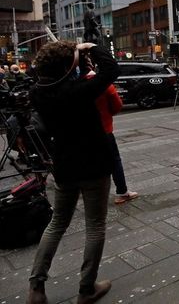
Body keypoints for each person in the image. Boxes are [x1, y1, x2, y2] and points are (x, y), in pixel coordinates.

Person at [27, 42, 119, 304]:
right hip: (94, 163)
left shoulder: (38, 92)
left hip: (64, 165)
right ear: (68, 68)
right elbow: (111, 70)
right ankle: (87, 288)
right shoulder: (78, 90)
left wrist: (71, 57)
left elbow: (42, 74)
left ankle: (36, 287)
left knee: (56, 224)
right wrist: (93, 47)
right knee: (95, 226)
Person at [82, 61, 139, 206]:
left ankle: (91, 195)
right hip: (104, 130)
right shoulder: (104, 84)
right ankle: (122, 192)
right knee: (114, 161)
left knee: (89, 163)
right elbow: (117, 106)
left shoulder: (73, 86)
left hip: (82, 134)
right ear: (92, 66)